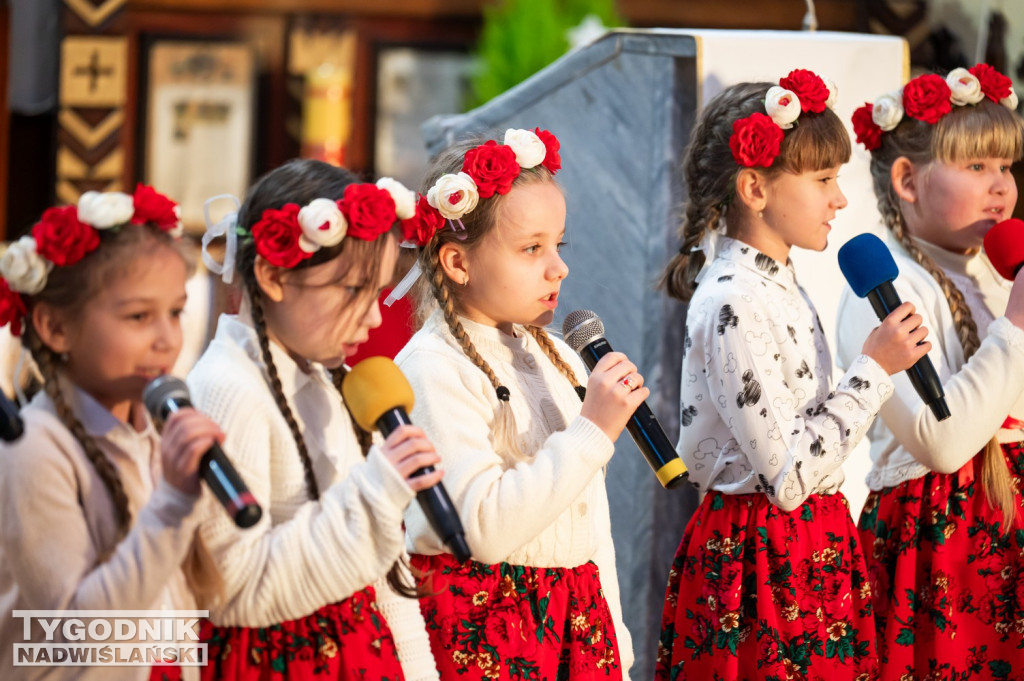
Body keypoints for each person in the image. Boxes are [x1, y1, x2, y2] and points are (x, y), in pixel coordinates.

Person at [654, 70, 933, 680]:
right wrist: (874, 368)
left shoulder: (772, 282)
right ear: (755, 187)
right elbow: (788, 475)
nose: (840, 199)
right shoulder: (734, 300)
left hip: (810, 545)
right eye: (824, 179)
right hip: (763, 560)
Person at [394, 127, 643, 679]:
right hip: (493, 631)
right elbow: (479, 526)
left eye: (559, 245)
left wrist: (617, 649)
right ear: (458, 263)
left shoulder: (557, 354)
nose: (559, 268)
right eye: (532, 248)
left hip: (580, 624)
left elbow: (590, 525)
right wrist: (591, 432)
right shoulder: (433, 368)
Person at [187, 159, 440, 680]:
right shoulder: (226, 391)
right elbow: (229, 591)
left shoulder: (327, 375)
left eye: (377, 293)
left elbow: (383, 574)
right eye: (353, 291)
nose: (373, 319)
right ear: (273, 275)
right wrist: (374, 491)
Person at [839, 64, 1024, 678]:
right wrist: (1015, 327)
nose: (1001, 187)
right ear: (907, 179)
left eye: (1006, 167)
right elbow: (941, 442)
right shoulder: (884, 290)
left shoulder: (992, 275)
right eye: (976, 167)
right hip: (944, 543)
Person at [0, 185, 224, 681]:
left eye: (175, 312)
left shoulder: (149, 433)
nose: (167, 337)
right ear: (56, 327)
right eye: (139, 316)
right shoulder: (35, 447)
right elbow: (73, 637)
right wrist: (170, 505)